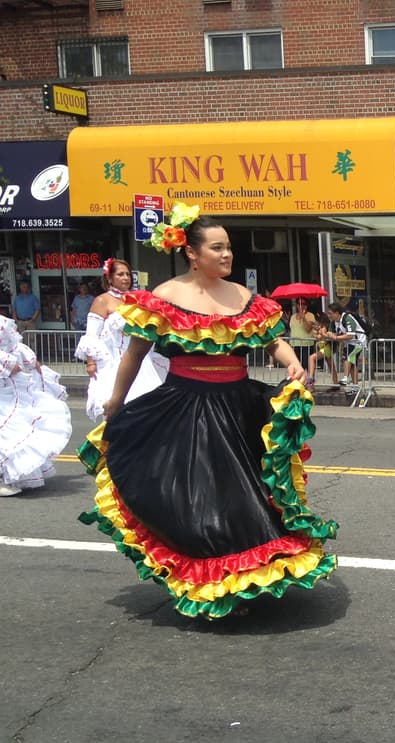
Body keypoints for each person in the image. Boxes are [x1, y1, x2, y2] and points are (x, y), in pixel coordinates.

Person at [77, 204, 337, 619]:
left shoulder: (245, 298)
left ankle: (245, 574)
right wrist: (116, 400)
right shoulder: (164, 297)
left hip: (238, 406)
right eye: (217, 248)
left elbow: (273, 341)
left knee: (246, 497)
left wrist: (292, 361)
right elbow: (134, 354)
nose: (226, 255)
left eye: (228, 247)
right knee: (198, 499)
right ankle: (210, 582)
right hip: (186, 406)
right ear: (192, 253)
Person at [75, 257, 170, 422]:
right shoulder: (102, 300)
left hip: (142, 360)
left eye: (127, 274)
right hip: (115, 362)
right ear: (110, 278)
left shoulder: (138, 299)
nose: (125, 278)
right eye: (120, 274)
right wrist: (91, 362)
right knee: (118, 409)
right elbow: (91, 336)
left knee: (148, 409)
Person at [0, 314, 72, 496]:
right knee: (9, 431)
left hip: (13, 388)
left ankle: (10, 476)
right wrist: (7, 362)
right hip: (6, 388)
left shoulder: (3, 322)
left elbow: (15, 344)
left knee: (19, 428)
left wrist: (28, 359)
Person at [326, 302, 367, 391]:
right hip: (349, 343)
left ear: (337, 313)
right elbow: (331, 333)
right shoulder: (334, 322)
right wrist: (326, 334)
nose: (329, 316)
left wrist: (336, 337)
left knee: (349, 357)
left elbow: (350, 335)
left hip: (358, 341)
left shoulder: (347, 318)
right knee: (352, 363)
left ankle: (346, 377)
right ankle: (355, 385)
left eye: (330, 313)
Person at [288, 298, 316, 373]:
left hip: (306, 345)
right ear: (297, 305)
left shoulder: (310, 315)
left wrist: (304, 318)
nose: (302, 306)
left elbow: (308, 329)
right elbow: (292, 330)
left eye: (304, 304)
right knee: (296, 366)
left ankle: (310, 381)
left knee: (307, 366)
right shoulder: (293, 316)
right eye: (300, 303)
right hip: (295, 345)